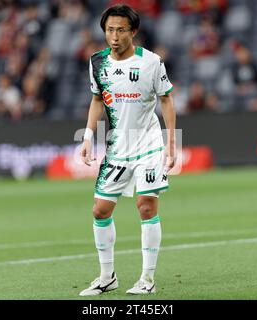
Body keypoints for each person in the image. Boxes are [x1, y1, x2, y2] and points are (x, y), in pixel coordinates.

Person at [79, 4, 176, 296]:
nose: (115, 35)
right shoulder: (97, 62)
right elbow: (97, 99)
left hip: (148, 144)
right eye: (110, 29)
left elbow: (167, 100)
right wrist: (87, 136)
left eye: (121, 29)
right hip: (117, 147)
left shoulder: (152, 62)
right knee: (100, 209)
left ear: (133, 31)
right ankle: (107, 276)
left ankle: (147, 279)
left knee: (146, 206)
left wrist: (171, 141)